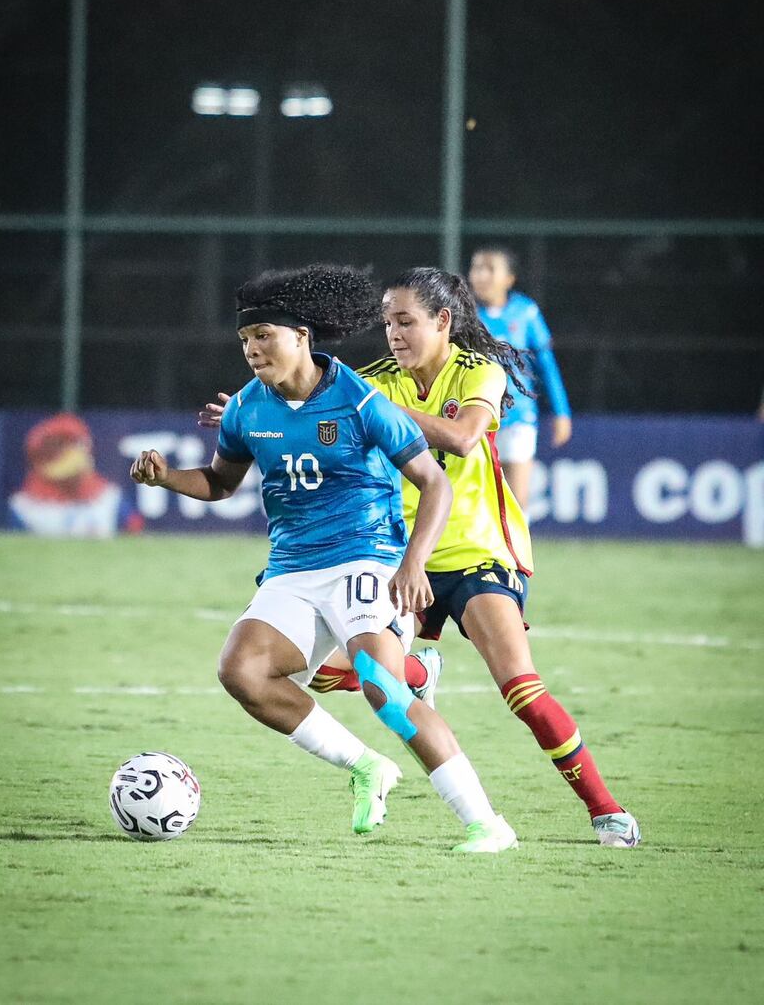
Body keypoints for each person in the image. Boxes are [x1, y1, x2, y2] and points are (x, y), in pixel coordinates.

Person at [200, 267, 640, 848]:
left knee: (520, 689)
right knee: (344, 676)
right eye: (386, 323)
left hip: (473, 550)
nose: (393, 334)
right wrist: (273, 408)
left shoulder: (475, 371)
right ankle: (420, 675)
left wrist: (362, 408)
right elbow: (310, 403)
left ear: (443, 322)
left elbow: (461, 439)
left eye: (406, 321)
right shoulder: (374, 381)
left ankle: (605, 810)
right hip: (398, 551)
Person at [133, 264, 518, 853]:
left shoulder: (361, 400)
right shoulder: (245, 410)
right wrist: (167, 479)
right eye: (245, 339)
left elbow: (433, 483)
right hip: (293, 566)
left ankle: (487, 824)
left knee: (382, 687)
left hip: (366, 555)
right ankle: (367, 767)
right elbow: (218, 482)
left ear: (301, 336)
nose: (253, 349)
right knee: (242, 671)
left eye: (265, 335)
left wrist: (414, 565)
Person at [469, 246, 572, 511]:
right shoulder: (465, 315)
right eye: (476, 268)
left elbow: (546, 364)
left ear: (509, 279)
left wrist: (562, 412)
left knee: (516, 501)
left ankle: (515, 552)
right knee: (478, 497)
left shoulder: (526, 312)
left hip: (518, 414)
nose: (481, 275)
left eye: (490, 269)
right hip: (474, 415)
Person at [9, 413, 143, 537]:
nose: (67, 453)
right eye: (57, 446)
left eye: (71, 444)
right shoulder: (23, 507)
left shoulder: (110, 498)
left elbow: (135, 534)